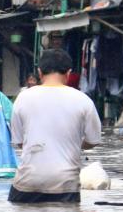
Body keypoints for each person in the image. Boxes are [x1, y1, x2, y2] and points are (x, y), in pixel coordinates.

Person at [9, 49, 101, 203]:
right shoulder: (83, 100)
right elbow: (93, 140)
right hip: (65, 184)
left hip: (27, 183)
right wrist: (76, 144)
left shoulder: (23, 98)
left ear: (39, 72)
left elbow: (19, 142)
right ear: (69, 73)